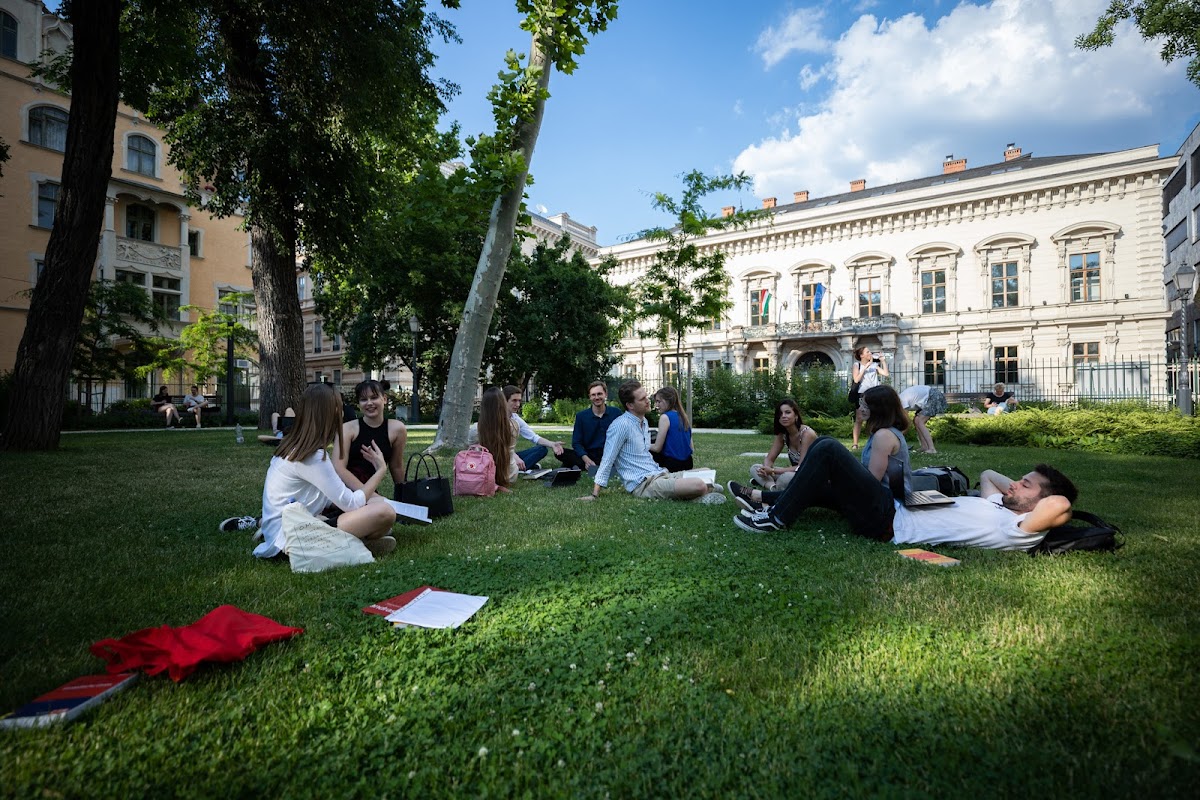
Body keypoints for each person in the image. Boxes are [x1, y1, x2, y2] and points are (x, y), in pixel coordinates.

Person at [731, 440, 1076, 553]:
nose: (1014, 484)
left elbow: (1060, 505)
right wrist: (1022, 488)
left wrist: (1043, 494)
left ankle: (776, 519)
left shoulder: (1018, 528)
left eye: (1025, 485)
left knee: (828, 450)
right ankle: (764, 499)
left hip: (890, 522)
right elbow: (987, 476)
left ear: (1040, 503)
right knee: (827, 487)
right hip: (894, 507)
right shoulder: (999, 506)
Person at [240, 382, 397, 558]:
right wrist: (380, 471)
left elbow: (326, 497)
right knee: (385, 513)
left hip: (290, 528)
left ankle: (354, 543)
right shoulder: (311, 456)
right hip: (290, 541)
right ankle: (357, 544)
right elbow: (351, 503)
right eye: (340, 407)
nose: (343, 413)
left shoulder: (300, 448)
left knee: (377, 512)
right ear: (332, 413)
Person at [733, 386, 910, 512]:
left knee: (826, 446)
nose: (860, 408)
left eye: (864, 405)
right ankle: (764, 502)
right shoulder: (881, 433)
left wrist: (842, 475)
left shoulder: (883, 436)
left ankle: (761, 499)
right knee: (812, 488)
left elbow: (871, 483)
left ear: (877, 409)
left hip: (883, 503)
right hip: (877, 498)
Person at [581, 380, 724, 504]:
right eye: (642, 399)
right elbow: (607, 459)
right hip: (643, 485)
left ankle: (703, 488)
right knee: (699, 484)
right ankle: (700, 494)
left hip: (659, 473)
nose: (648, 401)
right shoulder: (620, 425)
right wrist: (594, 494)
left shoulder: (643, 421)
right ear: (630, 405)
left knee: (706, 471)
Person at [335, 379, 407, 499]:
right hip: (344, 490)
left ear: (384, 399)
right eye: (363, 399)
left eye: (374, 398)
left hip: (369, 490)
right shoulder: (346, 429)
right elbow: (339, 469)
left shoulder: (397, 429)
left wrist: (405, 497)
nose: (369, 403)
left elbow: (396, 466)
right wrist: (368, 495)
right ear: (359, 404)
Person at [748, 399, 818, 490]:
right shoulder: (783, 435)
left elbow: (801, 468)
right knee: (756, 468)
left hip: (811, 476)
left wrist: (772, 471)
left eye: (787, 412)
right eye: (780, 414)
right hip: (793, 474)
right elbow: (769, 459)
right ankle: (773, 487)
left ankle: (768, 483)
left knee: (785, 478)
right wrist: (765, 469)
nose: (783, 416)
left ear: (796, 415)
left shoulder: (807, 434)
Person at [504, 385, 568, 470]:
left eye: (519, 401)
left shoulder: (515, 418)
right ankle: (516, 468)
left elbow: (533, 437)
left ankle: (518, 467)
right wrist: (515, 457)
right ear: (504, 401)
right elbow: (500, 446)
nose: (518, 404)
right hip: (498, 456)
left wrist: (552, 444)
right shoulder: (495, 418)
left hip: (510, 455)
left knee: (541, 449)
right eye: (514, 401)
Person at [565, 381, 621, 473]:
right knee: (561, 453)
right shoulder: (581, 416)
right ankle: (589, 465)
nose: (596, 397)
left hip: (611, 455)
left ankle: (585, 466)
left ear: (605, 394)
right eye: (593, 395)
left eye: (599, 394)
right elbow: (576, 443)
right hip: (589, 455)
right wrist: (586, 459)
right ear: (590, 397)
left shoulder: (616, 413)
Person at [473, 386, 517, 492]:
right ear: (503, 405)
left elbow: (472, 452)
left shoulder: (475, 428)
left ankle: (493, 483)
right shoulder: (514, 426)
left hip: (482, 476)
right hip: (509, 475)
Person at [649, 386, 694, 473]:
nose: (657, 405)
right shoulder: (683, 416)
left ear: (668, 401)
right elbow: (692, 448)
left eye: (659, 401)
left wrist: (644, 444)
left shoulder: (665, 417)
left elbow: (657, 448)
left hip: (672, 464)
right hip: (688, 463)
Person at [850, 346, 888, 449]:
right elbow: (856, 379)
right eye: (867, 352)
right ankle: (855, 444)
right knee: (859, 419)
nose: (870, 353)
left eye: (870, 351)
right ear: (862, 355)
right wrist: (865, 367)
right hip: (862, 394)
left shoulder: (874, 365)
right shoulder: (856, 365)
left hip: (874, 393)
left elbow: (886, 374)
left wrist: (883, 361)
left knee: (875, 418)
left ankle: (874, 442)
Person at [898, 384, 948, 454]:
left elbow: (906, 422)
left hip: (933, 396)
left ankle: (932, 449)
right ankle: (924, 447)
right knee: (916, 420)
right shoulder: (900, 400)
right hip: (929, 397)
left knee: (919, 421)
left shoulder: (901, 401)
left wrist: (898, 436)